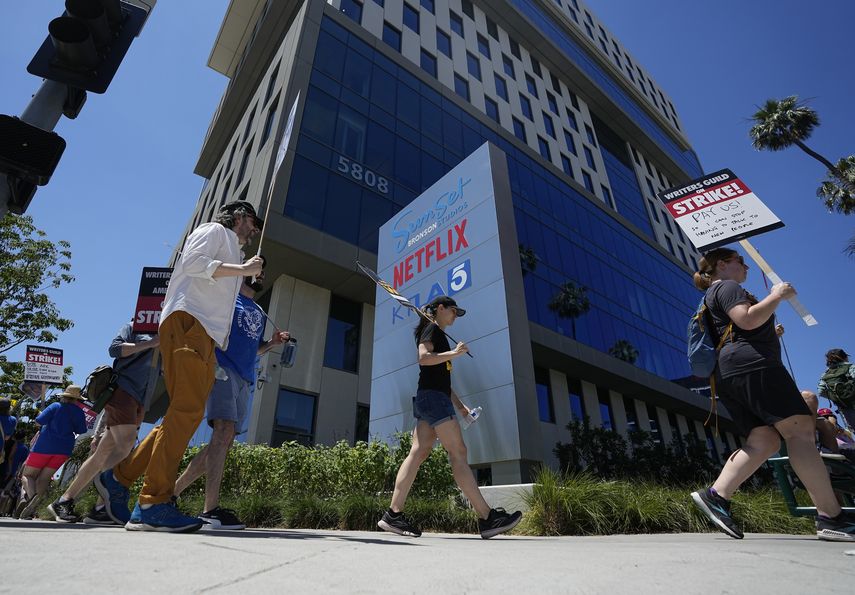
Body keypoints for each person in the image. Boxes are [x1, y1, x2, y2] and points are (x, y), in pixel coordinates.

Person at [95, 201, 264, 533]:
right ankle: (152, 503)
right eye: (253, 222)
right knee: (186, 410)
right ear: (240, 217)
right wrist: (244, 270)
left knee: (182, 414)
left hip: (203, 334)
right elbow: (195, 263)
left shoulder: (233, 250)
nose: (256, 229)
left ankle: (121, 477)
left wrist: (243, 269)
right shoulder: (216, 231)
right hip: (190, 323)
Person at [689, 247, 855, 541]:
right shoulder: (728, 286)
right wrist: (777, 294)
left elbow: (739, 328)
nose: (746, 268)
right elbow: (747, 319)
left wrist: (769, 331)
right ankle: (832, 516)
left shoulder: (710, 297)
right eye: (742, 262)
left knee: (763, 440)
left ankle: (717, 495)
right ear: (724, 264)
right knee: (801, 431)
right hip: (754, 366)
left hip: (729, 375)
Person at [377, 295, 522, 540]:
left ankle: (393, 514)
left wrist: (460, 406)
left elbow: (440, 378)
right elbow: (423, 358)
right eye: (454, 311)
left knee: (419, 452)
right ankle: (487, 518)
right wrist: (454, 353)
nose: (456, 315)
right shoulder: (432, 330)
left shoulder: (436, 333)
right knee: (458, 452)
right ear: (441, 308)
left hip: (429, 397)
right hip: (433, 399)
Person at [173, 264, 289, 529]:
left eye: (264, 272)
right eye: (258, 269)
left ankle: (172, 493)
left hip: (245, 377)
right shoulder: (227, 299)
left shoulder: (258, 310)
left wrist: (271, 343)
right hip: (221, 370)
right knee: (223, 434)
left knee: (224, 441)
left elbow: (253, 350)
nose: (261, 275)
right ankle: (210, 510)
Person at [46, 322, 160, 523]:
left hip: (143, 400)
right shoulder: (135, 326)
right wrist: (151, 343)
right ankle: (105, 490)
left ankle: (76, 503)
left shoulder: (169, 331)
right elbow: (114, 349)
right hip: (124, 391)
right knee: (125, 446)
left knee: (102, 454)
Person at [15, 386, 88, 519]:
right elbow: (81, 430)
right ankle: (33, 509)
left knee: (27, 475)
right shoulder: (79, 412)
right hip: (64, 449)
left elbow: (38, 421)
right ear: (77, 399)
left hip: (44, 446)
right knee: (44, 479)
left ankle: (31, 499)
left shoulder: (55, 406)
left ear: (64, 396)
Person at [818, 348, 855, 429]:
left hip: (846, 410)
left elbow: (820, 392)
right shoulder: (850, 367)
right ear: (845, 357)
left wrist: (836, 396)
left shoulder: (825, 375)